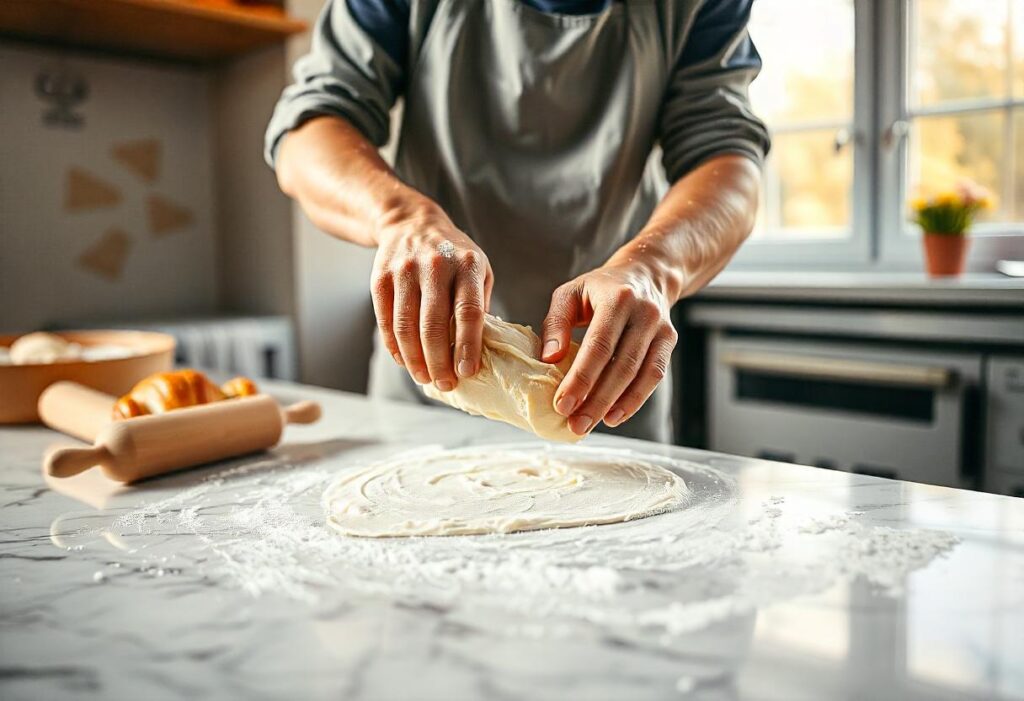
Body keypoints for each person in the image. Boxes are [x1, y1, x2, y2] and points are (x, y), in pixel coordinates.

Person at [266, 0, 769, 442]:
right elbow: (308, 132)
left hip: (606, 389)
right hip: (430, 387)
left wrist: (654, 268)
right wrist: (402, 219)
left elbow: (728, 158)